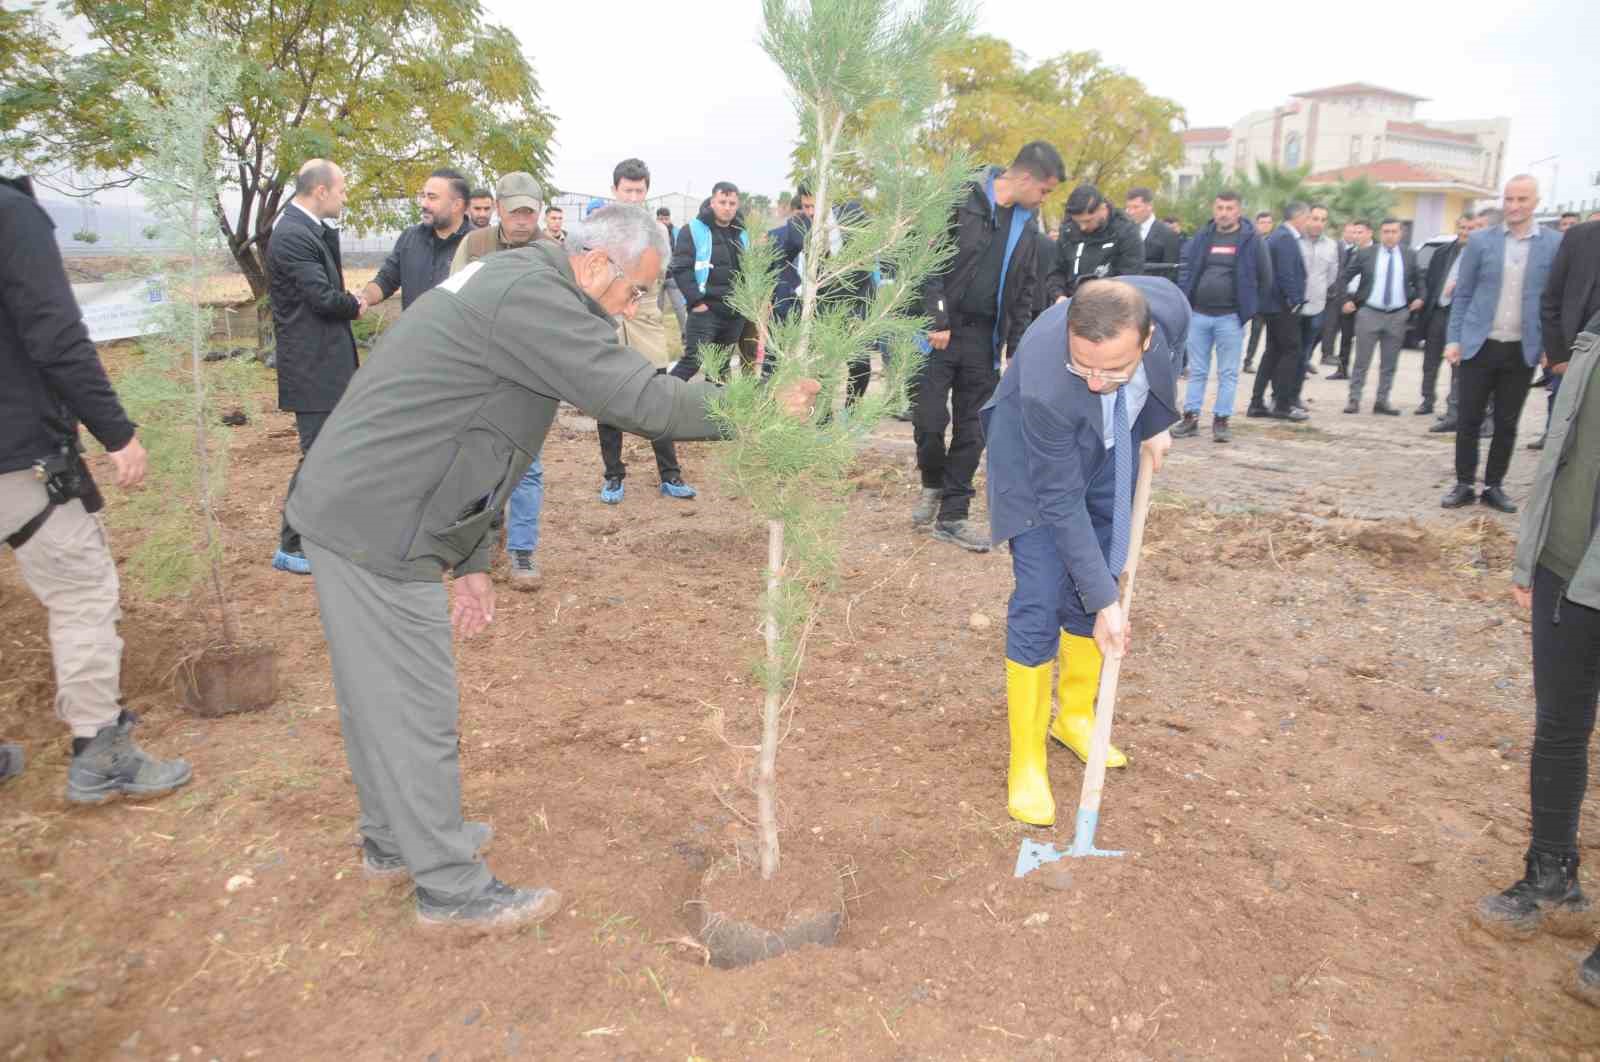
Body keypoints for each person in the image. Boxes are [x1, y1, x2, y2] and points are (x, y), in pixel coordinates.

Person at [285, 206, 819, 929]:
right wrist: (758, 407)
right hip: (377, 521)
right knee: (415, 708)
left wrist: (470, 555)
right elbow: (640, 399)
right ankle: (449, 889)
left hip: (368, 503)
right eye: (636, 291)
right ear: (597, 263)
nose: (636, 307)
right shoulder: (533, 299)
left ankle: (394, 841)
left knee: (376, 697)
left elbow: (484, 431)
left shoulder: (522, 282)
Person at [0, 173, 192, 803]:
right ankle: (98, 748)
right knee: (83, 591)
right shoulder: (11, 215)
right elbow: (56, 333)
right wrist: (115, 431)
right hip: (16, 454)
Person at [981, 277, 1181, 825]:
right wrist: (1106, 602)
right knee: (1042, 595)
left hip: (1107, 455)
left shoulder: (1170, 311)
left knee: (1097, 569)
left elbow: (1169, 364)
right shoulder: (1048, 384)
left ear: (1146, 340)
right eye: (1083, 367)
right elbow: (1059, 500)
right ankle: (1026, 759)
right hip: (1037, 470)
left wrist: (1157, 424)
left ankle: (1074, 718)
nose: (1096, 382)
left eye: (1113, 370)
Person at [1476, 310, 1600, 1007]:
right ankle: (1551, 871)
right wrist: (1532, 553)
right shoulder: (1595, 328)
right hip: (1566, 566)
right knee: (1559, 724)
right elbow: (1565, 446)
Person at [915, 140, 1063, 551]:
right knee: (928, 421)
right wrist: (937, 317)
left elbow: (1025, 290)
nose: (1044, 199)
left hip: (984, 339)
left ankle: (953, 515)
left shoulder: (1026, 227)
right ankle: (932, 481)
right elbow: (926, 262)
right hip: (938, 333)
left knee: (973, 428)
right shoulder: (960, 199)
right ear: (1028, 178)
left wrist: (1015, 344)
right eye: (1045, 190)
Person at [267, 159, 365, 576]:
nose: (345, 197)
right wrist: (355, 303)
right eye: (341, 190)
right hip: (312, 367)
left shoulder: (309, 228)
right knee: (319, 457)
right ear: (320, 191)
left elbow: (328, 278)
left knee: (332, 453)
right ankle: (292, 544)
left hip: (327, 364)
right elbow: (324, 297)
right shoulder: (291, 234)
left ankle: (321, 534)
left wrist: (330, 228)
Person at [449, 171, 547, 587]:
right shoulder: (475, 244)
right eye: (515, 211)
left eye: (530, 211)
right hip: (480, 369)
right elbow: (451, 298)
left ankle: (522, 552)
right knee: (475, 461)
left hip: (530, 376)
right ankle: (478, 544)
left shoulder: (551, 251)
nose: (522, 219)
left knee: (528, 467)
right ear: (499, 210)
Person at [1443, 175, 1563, 513]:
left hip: (1522, 347)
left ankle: (1494, 485)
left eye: (1522, 199)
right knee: (1468, 418)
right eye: (1509, 199)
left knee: (1507, 422)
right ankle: (1464, 483)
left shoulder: (1553, 244)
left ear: (1536, 203)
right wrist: (1454, 338)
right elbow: (1463, 294)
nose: (1514, 206)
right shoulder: (1481, 241)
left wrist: (1550, 346)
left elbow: (1553, 300)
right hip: (1479, 345)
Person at [597, 158, 696, 504]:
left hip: (647, 326)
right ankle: (613, 476)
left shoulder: (658, 232)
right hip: (609, 327)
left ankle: (670, 475)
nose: (634, 197)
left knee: (657, 402)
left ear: (646, 192)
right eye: (628, 190)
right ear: (615, 191)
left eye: (640, 191)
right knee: (608, 405)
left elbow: (655, 273)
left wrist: (628, 287)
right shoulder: (598, 230)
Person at [1172, 190, 1266, 443]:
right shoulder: (1203, 236)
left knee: (1228, 373)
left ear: (1238, 211)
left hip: (1230, 318)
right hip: (1200, 314)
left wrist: (1249, 310)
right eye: (1220, 208)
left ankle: (1221, 420)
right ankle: (1190, 417)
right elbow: (1188, 269)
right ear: (1214, 209)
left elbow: (1265, 276)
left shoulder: (1251, 239)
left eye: (1229, 208)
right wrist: (1186, 300)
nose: (1224, 213)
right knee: (1197, 370)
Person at [669, 182, 750, 384]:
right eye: (722, 202)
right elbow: (681, 268)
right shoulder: (693, 229)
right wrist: (697, 303)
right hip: (705, 311)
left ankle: (712, 413)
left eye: (732, 203)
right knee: (692, 362)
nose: (727, 207)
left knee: (720, 368)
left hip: (734, 312)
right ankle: (661, 402)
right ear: (712, 202)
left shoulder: (742, 233)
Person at [1340, 217, 1422, 415]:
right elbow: (1344, 276)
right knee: (1361, 360)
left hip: (1397, 315)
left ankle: (1382, 400)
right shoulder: (1367, 253)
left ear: (1400, 233)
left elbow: (1419, 279)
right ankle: (1354, 399)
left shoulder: (1410, 255)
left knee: (1390, 362)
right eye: (1386, 231)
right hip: (1369, 312)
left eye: (1394, 231)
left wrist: (1420, 297)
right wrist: (1345, 300)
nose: (1390, 235)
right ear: (1380, 233)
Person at [1531, 218, 1600, 451]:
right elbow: (1552, 299)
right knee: (1569, 446)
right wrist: (1557, 356)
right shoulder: (1579, 237)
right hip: (1577, 361)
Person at [363, 168, 472, 311]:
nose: (424, 204)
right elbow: (386, 280)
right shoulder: (410, 238)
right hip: (413, 332)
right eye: (423, 196)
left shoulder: (477, 244)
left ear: (456, 205)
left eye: (432, 197)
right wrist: (363, 298)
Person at [1247, 202, 1312, 421]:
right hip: (1281, 306)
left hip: (1273, 305)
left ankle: (1256, 403)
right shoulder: (1284, 238)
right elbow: (1285, 273)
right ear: (1299, 216)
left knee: (1273, 351)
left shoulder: (1279, 236)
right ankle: (1282, 405)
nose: (1309, 223)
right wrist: (1295, 300)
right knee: (1292, 350)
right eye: (1308, 217)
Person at [1046, 185, 1144, 302]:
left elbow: (1130, 276)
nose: (1082, 227)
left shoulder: (1126, 232)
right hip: (1070, 303)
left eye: (1088, 221)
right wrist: (1058, 295)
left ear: (1103, 208)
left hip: (1110, 305)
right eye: (1077, 222)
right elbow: (1056, 271)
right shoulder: (1068, 230)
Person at [1419, 214, 1474, 419]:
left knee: (1457, 364)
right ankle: (1427, 400)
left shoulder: (1479, 254)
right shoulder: (1442, 252)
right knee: (1430, 360)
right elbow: (1430, 278)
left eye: (1469, 228)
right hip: (1438, 312)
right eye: (1462, 227)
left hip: (1461, 315)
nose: (1465, 232)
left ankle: (1453, 407)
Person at [1296, 204, 1339, 385]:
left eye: (1323, 220)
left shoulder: (1331, 246)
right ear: (1307, 218)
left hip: (1316, 307)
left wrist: (1318, 291)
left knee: (1305, 353)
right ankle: (1279, 397)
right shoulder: (1295, 242)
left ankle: (1294, 397)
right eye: (1315, 218)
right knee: (1288, 353)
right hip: (1293, 307)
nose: (1319, 223)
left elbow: (1331, 276)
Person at [1325, 220, 1370, 380]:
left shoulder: (1376, 253)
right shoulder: (1350, 252)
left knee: (1365, 339)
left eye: (1360, 232)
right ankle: (1342, 369)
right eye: (1354, 232)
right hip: (1347, 299)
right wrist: (1344, 299)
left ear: (1369, 233)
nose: (1356, 236)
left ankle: (1360, 373)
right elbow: (1342, 276)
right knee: (1345, 336)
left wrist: (1357, 300)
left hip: (1365, 301)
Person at [1241, 211, 1277, 373]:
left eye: (1269, 222)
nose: (1266, 225)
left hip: (1265, 294)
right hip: (1247, 291)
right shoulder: (1250, 241)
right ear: (1256, 224)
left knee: (1257, 330)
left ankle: (1248, 360)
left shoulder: (1274, 241)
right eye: (1262, 222)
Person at [1125, 187, 1180, 279]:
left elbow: (1171, 271)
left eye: (1136, 207)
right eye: (1128, 208)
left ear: (1149, 206)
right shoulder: (1125, 231)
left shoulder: (1168, 234)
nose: (1131, 212)